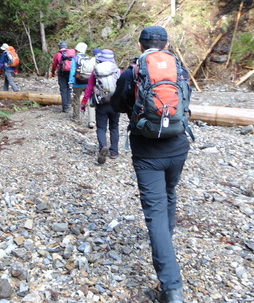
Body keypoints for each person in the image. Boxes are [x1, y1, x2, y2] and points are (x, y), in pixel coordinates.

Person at [110, 26, 190, 303]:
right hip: (178, 147)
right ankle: (165, 241)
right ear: (166, 44)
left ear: (141, 44)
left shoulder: (133, 72)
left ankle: (171, 288)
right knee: (170, 194)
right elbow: (185, 105)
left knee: (155, 213)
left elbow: (118, 105)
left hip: (147, 153)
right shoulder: (179, 70)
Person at [80, 49, 121, 164]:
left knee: (101, 128)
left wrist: (83, 103)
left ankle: (103, 147)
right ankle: (114, 152)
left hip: (101, 104)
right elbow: (123, 88)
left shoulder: (96, 71)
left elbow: (88, 89)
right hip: (115, 105)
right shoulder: (118, 71)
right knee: (114, 127)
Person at [68, 42, 96, 128]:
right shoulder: (88, 58)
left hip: (77, 83)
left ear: (77, 50)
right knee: (90, 101)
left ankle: (76, 118)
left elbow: (72, 71)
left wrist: (70, 82)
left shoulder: (75, 58)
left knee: (76, 100)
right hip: (88, 83)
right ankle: (91, 121)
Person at [50, 41, 72, 112]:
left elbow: (54, 65)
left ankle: (65, 107)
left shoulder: (57, 55)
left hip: (61, 72)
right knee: (69, 88)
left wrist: (53, 72)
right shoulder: (71, 53)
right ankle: (69, 104)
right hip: (70, 72)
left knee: (63, 90)